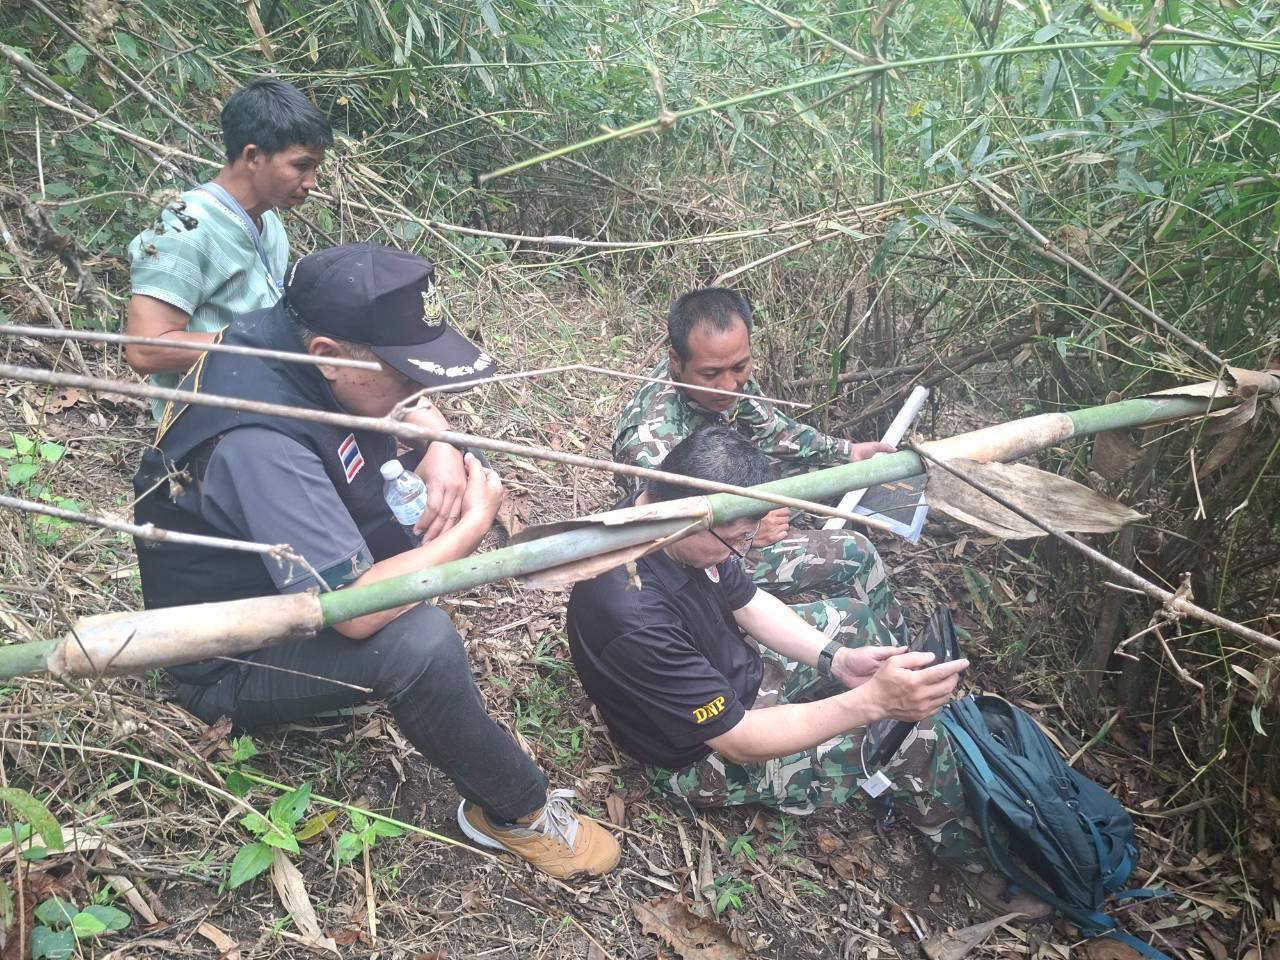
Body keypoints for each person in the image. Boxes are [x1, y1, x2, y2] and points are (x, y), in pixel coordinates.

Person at [132, 242, 619, 879]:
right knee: (417, 642)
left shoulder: (287, 340)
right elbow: (356, 613)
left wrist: (438, 444)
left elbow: (405, 404)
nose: (418, 391)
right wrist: (470, 529)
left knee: (415, 505)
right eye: (406, 377)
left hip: (283, 582)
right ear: (327, 356)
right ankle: (515, 811)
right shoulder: (258, 442)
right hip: (233, 655)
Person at [570, 425, 983, 870]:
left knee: (854, 621)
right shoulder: (635, 617)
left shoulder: (664, 516)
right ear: (688, 520)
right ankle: (971, 857)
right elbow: (739, 739)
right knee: (913, 736)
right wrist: (871, 703)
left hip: (733, 669)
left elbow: (746, 601)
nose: (741, 552)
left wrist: (838, 660)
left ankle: (896, 708)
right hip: (702, 754)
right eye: (738, 540)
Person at [126, 78, 471, 542]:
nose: (312, 183)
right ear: (253, 156)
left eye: (315, 168)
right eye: (301, 166)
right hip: (222, 431)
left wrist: (436, 434)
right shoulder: (184, 229)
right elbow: (146, 348)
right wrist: (280, 346)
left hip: (280, 402)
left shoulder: (267, 223)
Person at [613, 288, 902, 635]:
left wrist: (848, 452)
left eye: (740, 367)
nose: (729, 385)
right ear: (677, 361)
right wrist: (748, 532)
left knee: (839, 472)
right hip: (702, 552)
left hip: (731, 496)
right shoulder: (651, 440)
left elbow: (773, 430)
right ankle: (894, 654)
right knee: (857, 554)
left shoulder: (720, 371)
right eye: (711, 374)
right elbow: (671, 542)